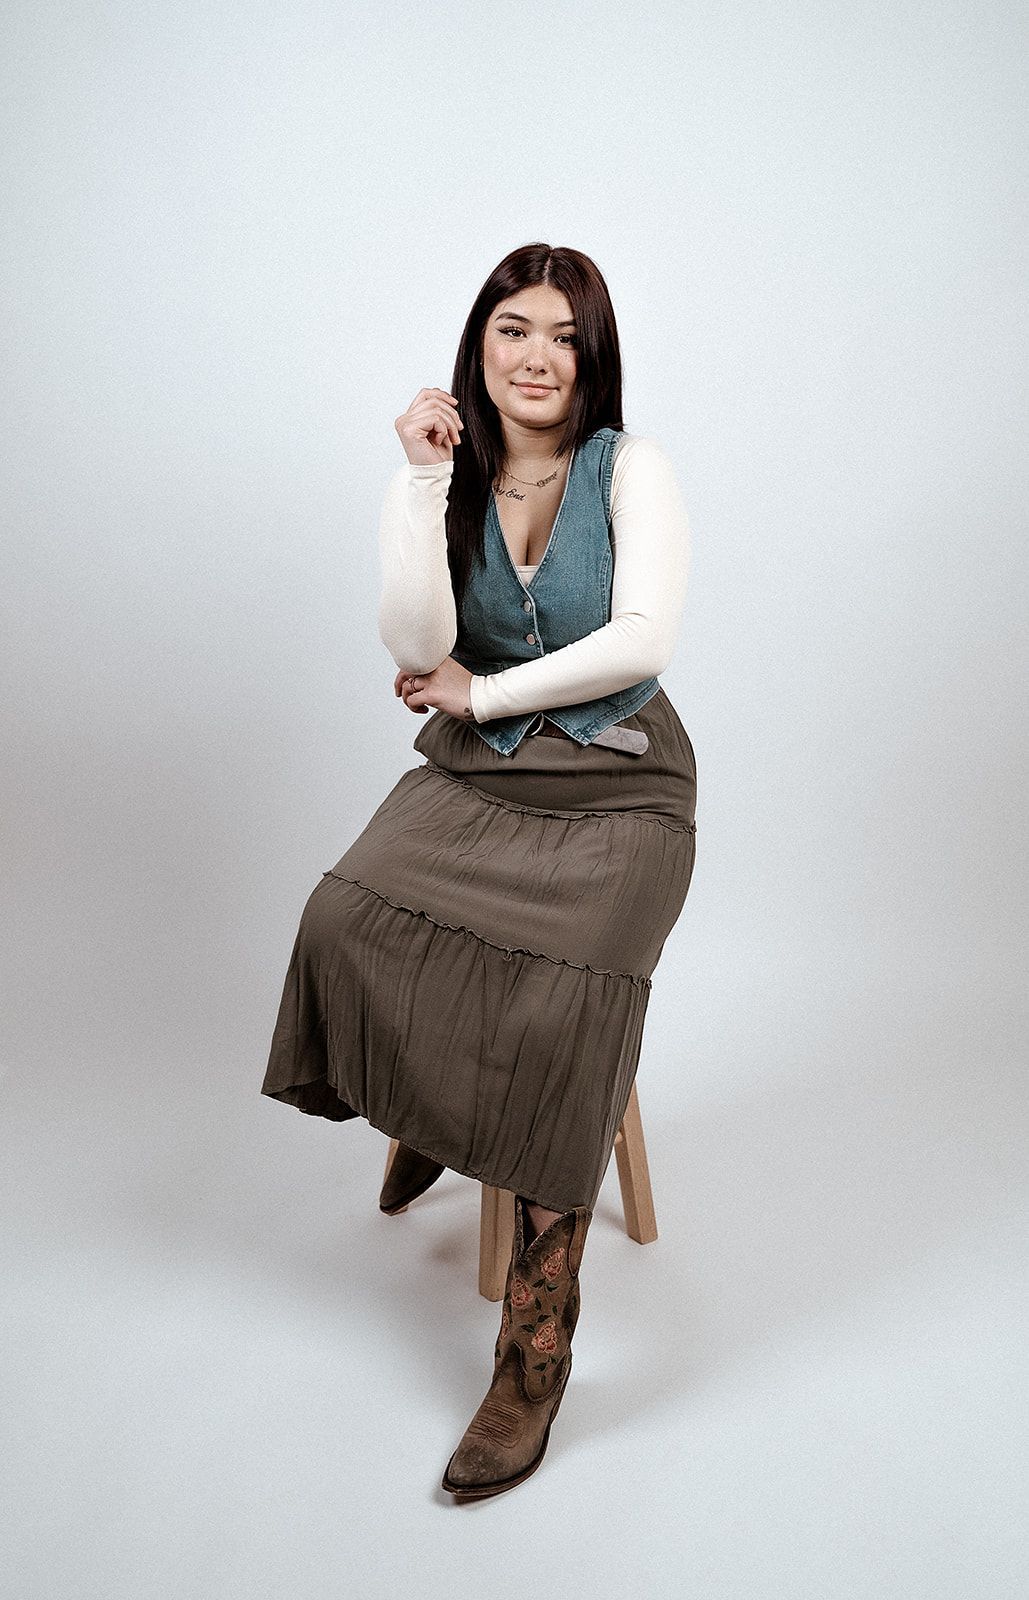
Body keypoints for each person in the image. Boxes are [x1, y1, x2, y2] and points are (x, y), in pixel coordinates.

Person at [261, 242, 698, 1500]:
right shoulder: (452, 474)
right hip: (482, 771)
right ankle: (441, 1115)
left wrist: (486, 687)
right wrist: (413, 484)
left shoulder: (633, 469)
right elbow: (411, 642)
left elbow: (641, 638)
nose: (539, 356)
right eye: (516, 329)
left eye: (565, 335)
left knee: (563, 992)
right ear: (482, 343)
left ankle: (536, 1340)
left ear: (591, 355)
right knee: (343, 914)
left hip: (622, 781)